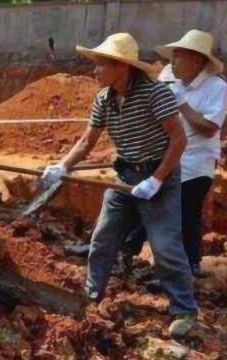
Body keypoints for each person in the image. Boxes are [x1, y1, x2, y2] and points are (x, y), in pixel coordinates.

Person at [42, 33, 198, 325]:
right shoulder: (104, 98)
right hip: (124, 175)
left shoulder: (155, 94)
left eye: (102, 64)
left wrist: (156, 180)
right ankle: (92, 294)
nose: (95, 70)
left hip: (159, 177)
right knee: (103, 238)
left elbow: (178, 141)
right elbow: (88, 140)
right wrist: (63, 166)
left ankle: (184, 309)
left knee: (165, 246)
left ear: (122, 67)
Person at [123, 31, 227, 278]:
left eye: (180, 57)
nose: (173, 62)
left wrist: (181, 103)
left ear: (198, 62)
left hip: (195, 161)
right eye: (173, 56)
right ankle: (125, 249)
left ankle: (189, 264)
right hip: (166, 155)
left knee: (185, 212)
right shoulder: (168, 76)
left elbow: (209, 128)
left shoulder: (217, 88)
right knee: (144, 202)